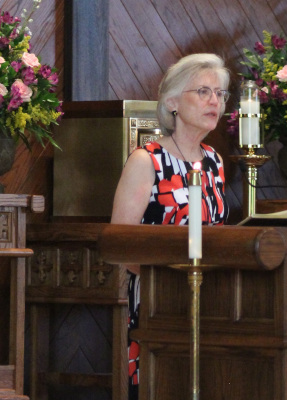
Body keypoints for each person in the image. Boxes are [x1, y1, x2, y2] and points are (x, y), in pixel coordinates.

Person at [111, 53, 230, 399]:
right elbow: (120, 243)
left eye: (220, 94)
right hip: (156, 299)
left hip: (209, 299)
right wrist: (168, 276)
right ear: (172, 102)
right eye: (203, 91)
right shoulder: (147, 160)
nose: (215, 101)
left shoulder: (214, 162)